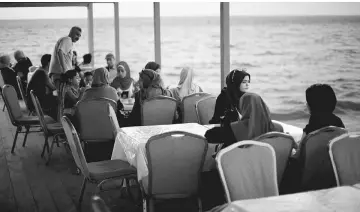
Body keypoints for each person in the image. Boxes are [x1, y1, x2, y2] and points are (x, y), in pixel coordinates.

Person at [49, 26, 82, 91]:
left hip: (58, 75)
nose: (78, 37)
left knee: (62, 97)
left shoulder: (65, 40)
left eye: (79, 36)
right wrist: (65, 71)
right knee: (63, 97)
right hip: (60, 75)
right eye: (77, 34)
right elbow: (60, 52)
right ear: (71, 32)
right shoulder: (68, 40)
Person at [26, 54, 58, 120]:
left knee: (57, 95)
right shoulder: (42, 73)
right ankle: (58, 119)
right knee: (61, 98)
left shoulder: (40, 70)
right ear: (49, 63)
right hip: (37, 103)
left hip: (35, 100)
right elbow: (53, 87)